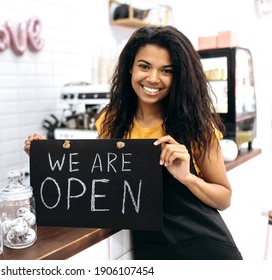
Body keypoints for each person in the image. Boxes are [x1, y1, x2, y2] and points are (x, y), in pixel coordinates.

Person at [24, 25, 242, 260]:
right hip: (151, 252)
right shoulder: (111, 120)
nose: (153, 78)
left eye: (166, 70)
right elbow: (99, 184)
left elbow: (224, 198)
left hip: (203, 249)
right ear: (130, 67)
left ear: (179, 75)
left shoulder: (197, 127)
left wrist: (187, 177)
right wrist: (48, 159)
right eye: (144, 66)